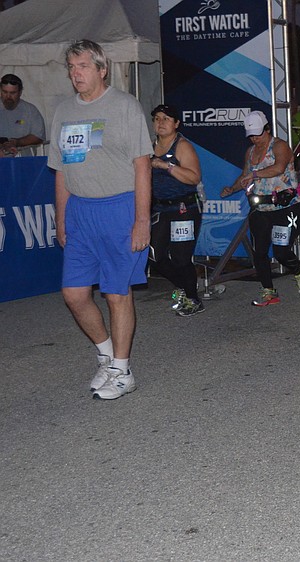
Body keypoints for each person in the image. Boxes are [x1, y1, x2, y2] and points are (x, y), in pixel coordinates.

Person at [47, 39, 151, 400]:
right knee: (74, 294)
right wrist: (61, 219)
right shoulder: (62, 111)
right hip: (80, 212)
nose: (76, 74)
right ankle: (106, 356)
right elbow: (61, 170)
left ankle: (123, 371)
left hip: (119, 209)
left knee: (116, 293)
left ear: (102, 69)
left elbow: (142, 165)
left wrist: (141, 220)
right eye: (72, 68)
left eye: (83, 67)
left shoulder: (125, 107)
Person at [220, 110, 300, 306]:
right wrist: (232, 188)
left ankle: (299, 271)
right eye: (251, 135)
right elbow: (246, 174)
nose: (255, 139)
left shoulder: (279, 146)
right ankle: (268, 290)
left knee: (280, 252)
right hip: (261, 207)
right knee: (259, 251)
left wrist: (254, 175)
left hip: (285, 207)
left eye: (259, 134)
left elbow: (278, 168)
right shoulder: (250, 152)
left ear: (267, 129)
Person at [148, 104, 204, 317]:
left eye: (166, 119)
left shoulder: (182, 146)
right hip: (161, 207)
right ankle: (184, 286)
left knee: (181, 257)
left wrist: (166, 166)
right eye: (157, 119)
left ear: (176, 123)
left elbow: (194, 177)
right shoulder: (149, 145)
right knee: (154, 256)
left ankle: (193, 299)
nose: (161, 123)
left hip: (185, 207)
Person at [0, 73, 45, 157]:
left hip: (23, 163)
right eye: (5, 92)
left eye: (12, 93)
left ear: (20, 92)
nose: (8, 96)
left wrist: (17, 142)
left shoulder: (30, 110)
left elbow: (38, 137)